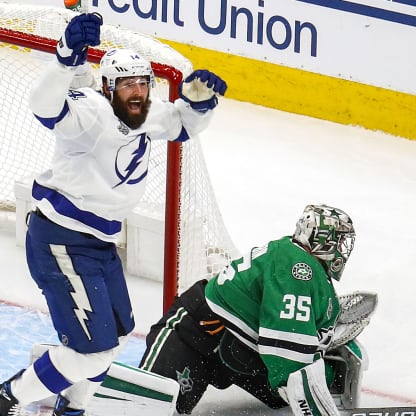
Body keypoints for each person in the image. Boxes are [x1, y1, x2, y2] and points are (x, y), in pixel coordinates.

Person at [0, 12, 227, 416]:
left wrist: (199, 103)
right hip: (61, 241)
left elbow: (183, 125)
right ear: (108, 88)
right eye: (126, 84)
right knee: (92, 351)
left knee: (117, 337)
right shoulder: (90, 112)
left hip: (98, 244)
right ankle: (8, 397)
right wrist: (67, 56)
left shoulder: (146, 110)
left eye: (143, 83)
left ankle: (70, 407)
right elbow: (43, 104)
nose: (137, 91)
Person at [139, 204, 377, 415]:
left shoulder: (308, 271)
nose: (343, 250)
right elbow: (287, 359)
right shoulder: (298, 267)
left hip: (238, 350)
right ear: (323, 239)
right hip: (194, 335)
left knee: (281, 395)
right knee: (150, 406)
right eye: (340, 241)